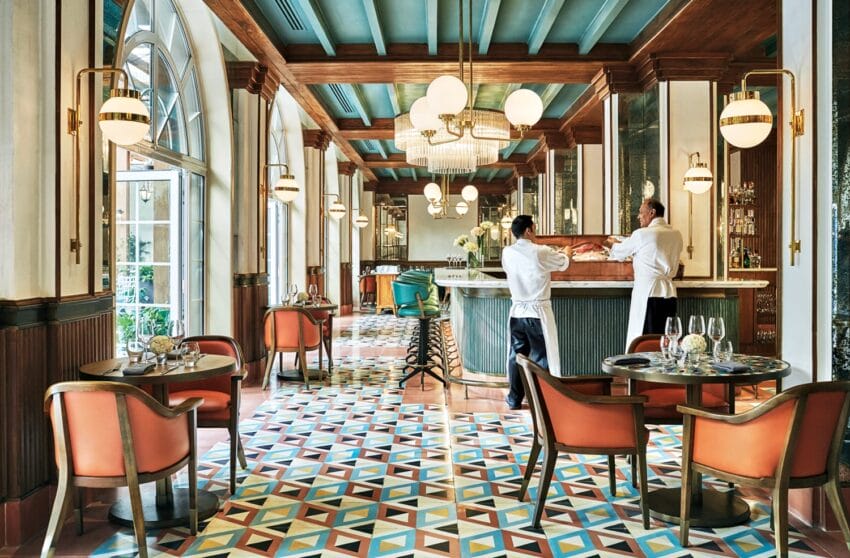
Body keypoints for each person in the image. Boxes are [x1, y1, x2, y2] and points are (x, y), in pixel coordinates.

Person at [502, 215, 572, 410]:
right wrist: (567, 251)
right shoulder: (540, 251)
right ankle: (544, 398)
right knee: (542, 356)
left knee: (517, 356)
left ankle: (514, 399)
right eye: (534, 228)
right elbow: (564, 263)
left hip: (517, 312)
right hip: (537, 313)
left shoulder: (507, 252)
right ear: (528, 230)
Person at [606, 198, 683, 350]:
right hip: (670, 294)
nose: (638, 216)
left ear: (652, 213)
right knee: (666, 339)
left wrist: (612, 243)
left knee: (645, 340)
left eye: (641, 213)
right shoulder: (676, 234)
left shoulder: (642, 234)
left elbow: (619, 252)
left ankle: (641, 373)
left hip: (649, 294)